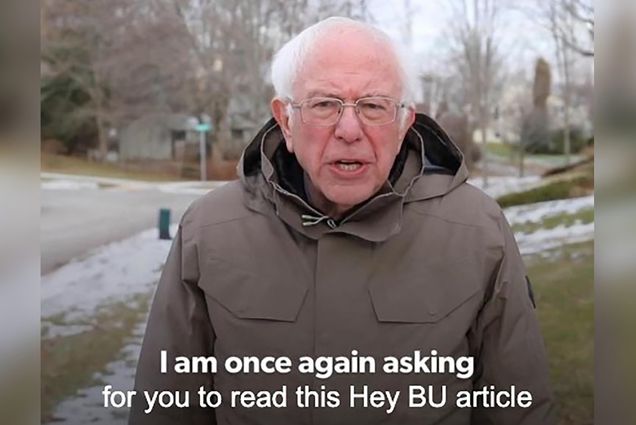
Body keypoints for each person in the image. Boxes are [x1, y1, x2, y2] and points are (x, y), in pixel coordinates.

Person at [129, 17, 555, 425]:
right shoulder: (209, 230)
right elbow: (167, 407)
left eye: (372, 105)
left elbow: (519, 408)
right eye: (325, 104)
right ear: (286, 120)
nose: (349, 129)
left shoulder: (478, 232)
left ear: (405, 121)